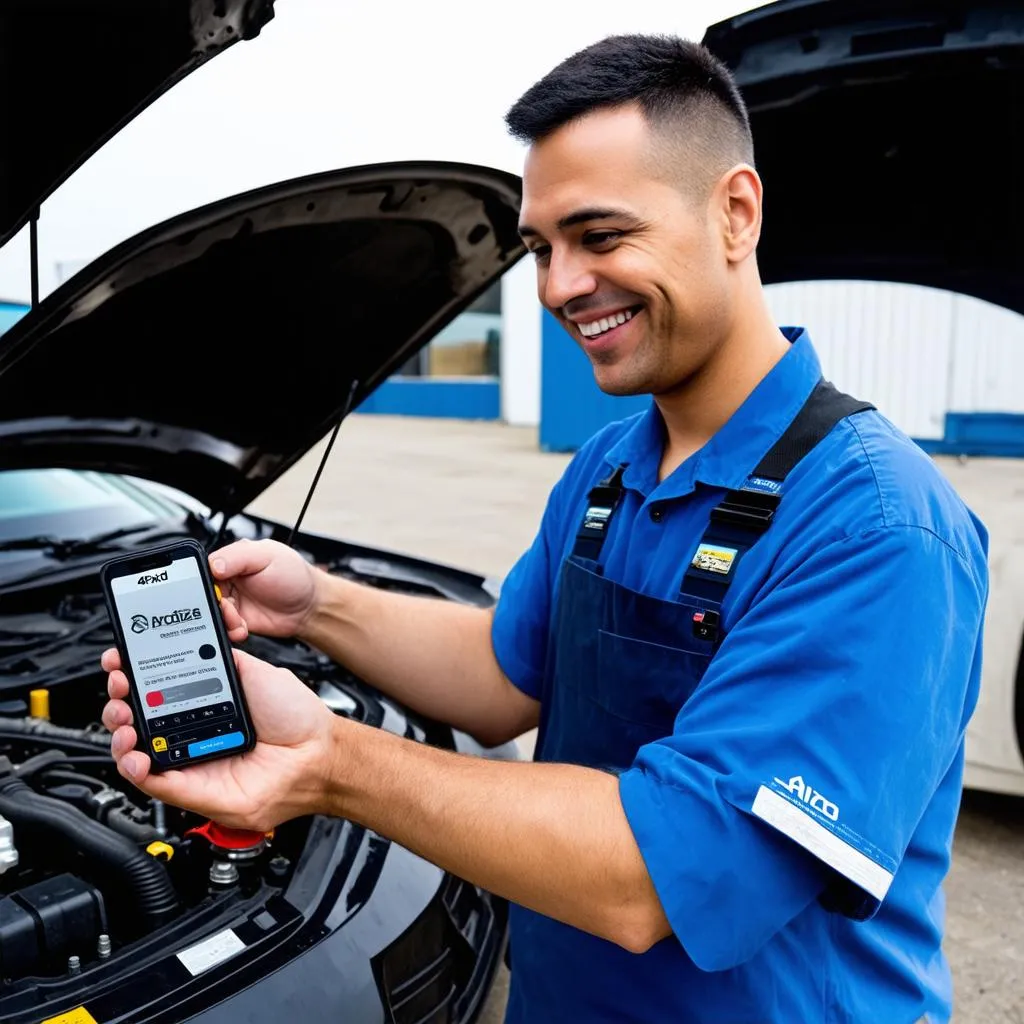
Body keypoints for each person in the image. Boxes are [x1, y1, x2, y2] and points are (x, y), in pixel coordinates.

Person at [101, 34, 989, 1024]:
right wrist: (316, 604)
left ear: (734, 212)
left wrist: (333, 765)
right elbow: (499, 675)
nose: (560, 286)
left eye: (600, 236)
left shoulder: (874, 524)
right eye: (539, 248)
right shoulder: (611, 463)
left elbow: (659, 873)